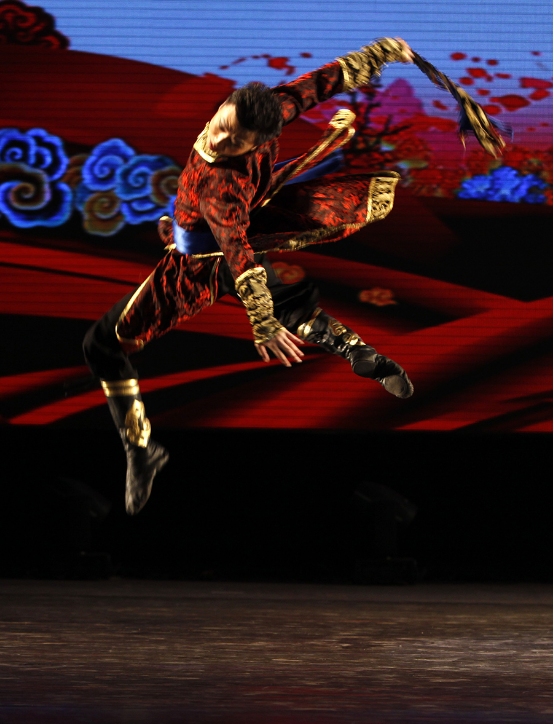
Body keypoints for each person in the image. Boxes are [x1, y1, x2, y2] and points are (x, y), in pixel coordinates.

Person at [82, 37, 427, 515]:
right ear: (228, 105)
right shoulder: (271, 108)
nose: (220, 141)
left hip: (201, 260)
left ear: (258, 143)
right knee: (290, 306)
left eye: (235, 142)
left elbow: (235, 250)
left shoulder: (220, 184)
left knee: (102, 345)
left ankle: (141, 449)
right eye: (222, 126)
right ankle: (361, 353)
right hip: (237, 230)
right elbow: (321, 82)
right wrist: (383, 52)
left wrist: (261, 321)